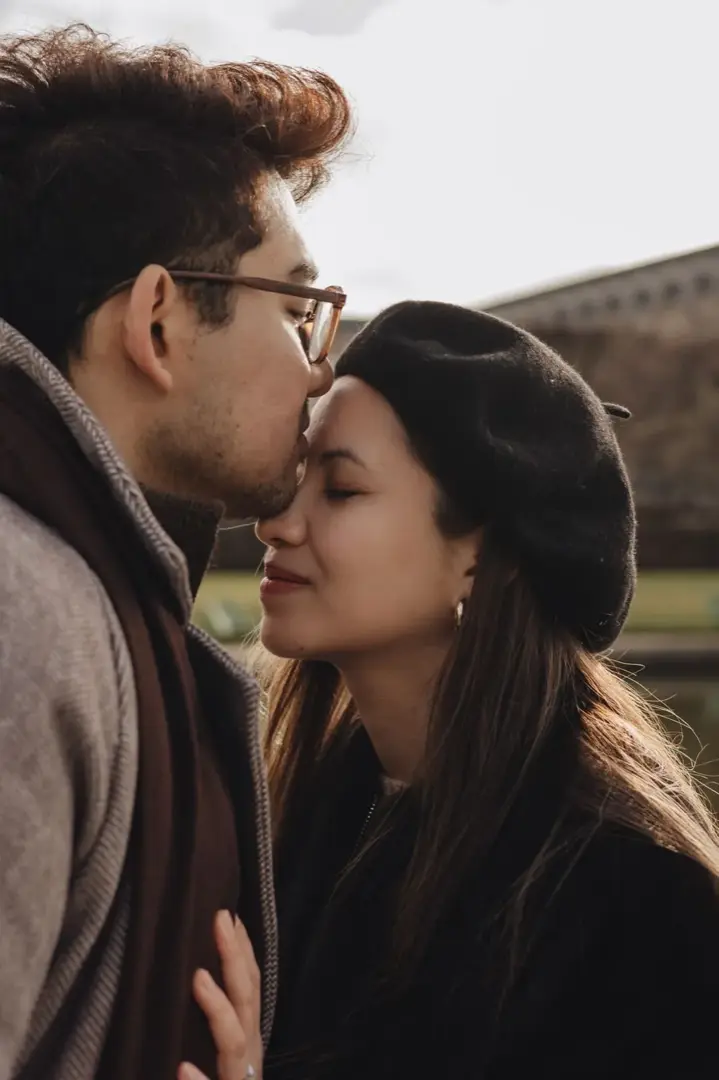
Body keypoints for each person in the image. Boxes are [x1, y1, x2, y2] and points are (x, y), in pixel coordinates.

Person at [0, 23, 352, 1080]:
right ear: (156, 323)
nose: (316, 369)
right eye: (296, 311)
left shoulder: (77, 586)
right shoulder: (27, 615)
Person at [252, 301, 719, 1079]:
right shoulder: (300, 821)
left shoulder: (631, 907)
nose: (276, 524)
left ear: (477, 558)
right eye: (294, 477)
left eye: (337, 491)